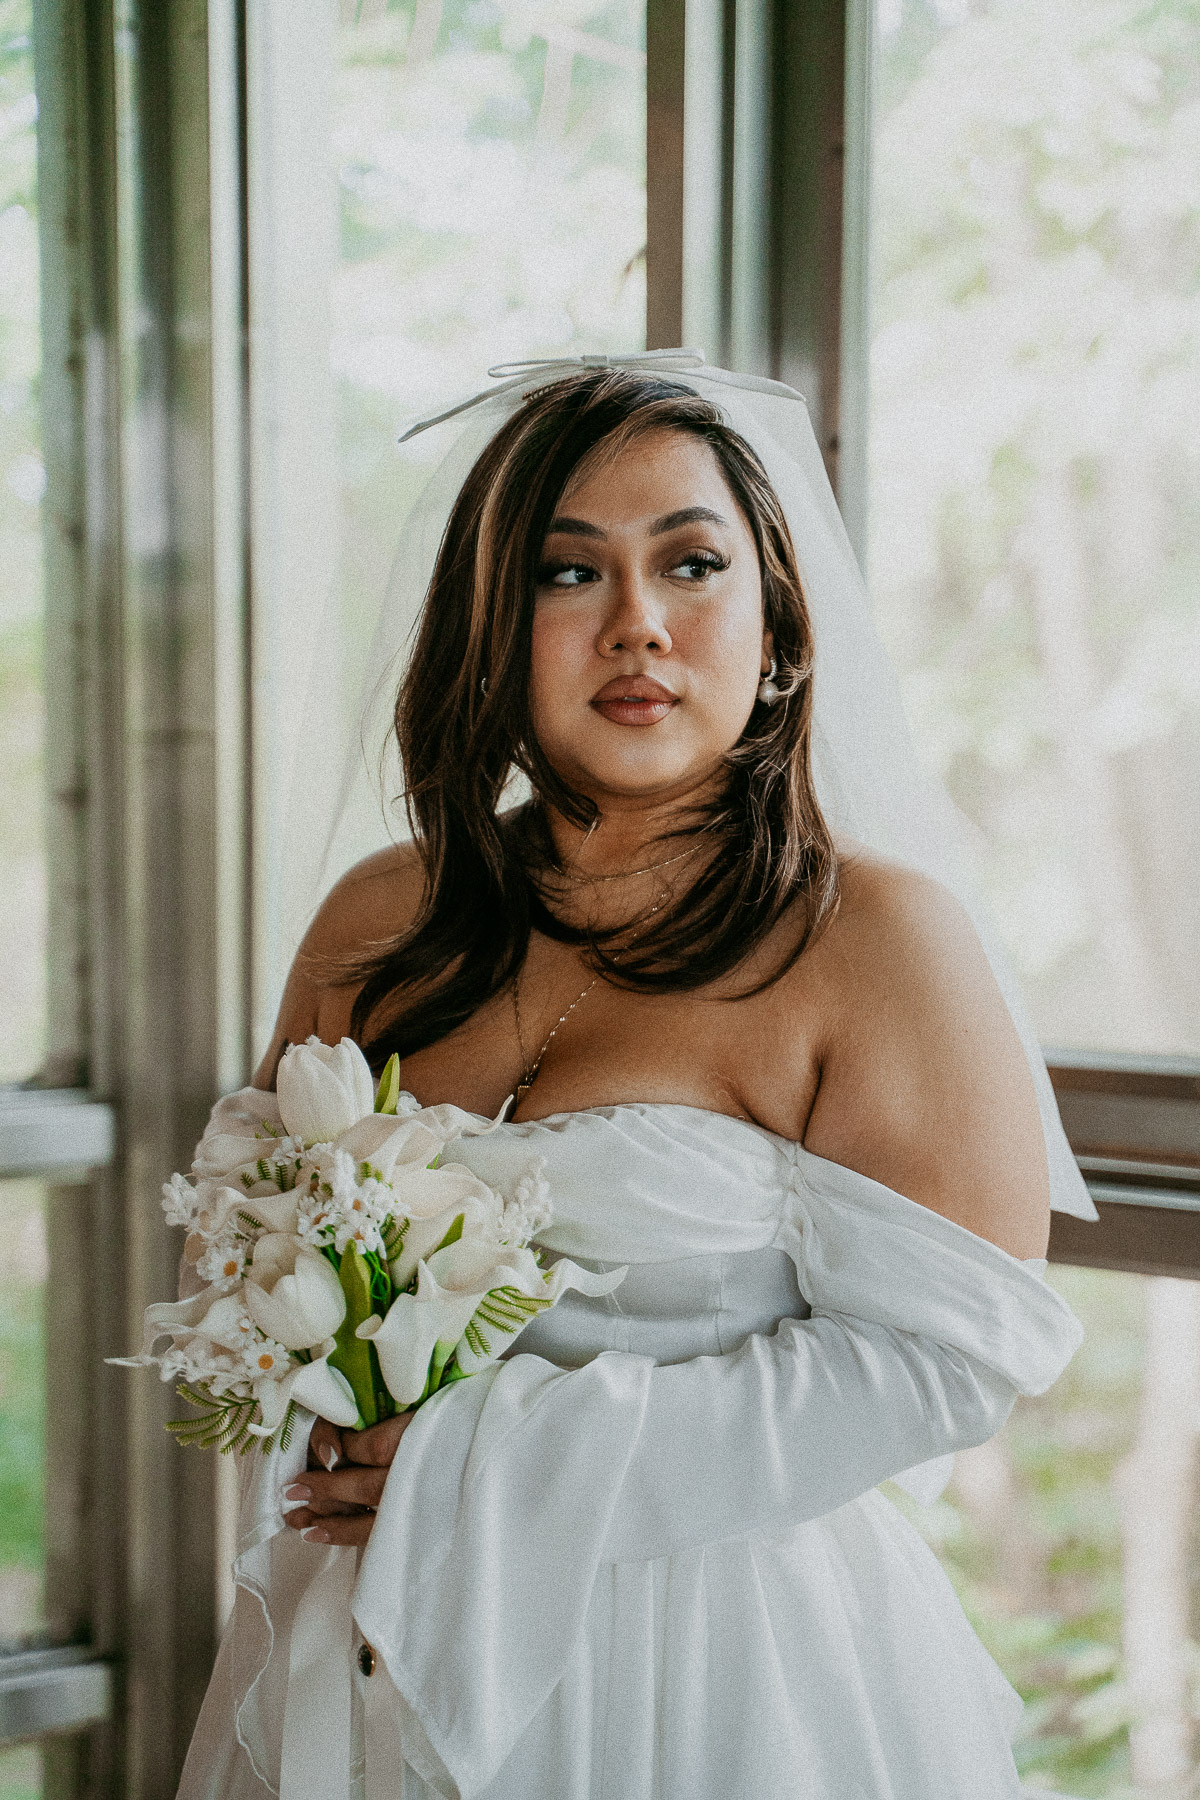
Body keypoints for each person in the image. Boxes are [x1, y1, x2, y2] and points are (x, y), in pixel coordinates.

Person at [178, 362, 1091, 1800]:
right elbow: (237, 1254)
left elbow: (948, 1358)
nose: (637, 626)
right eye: (566, 570)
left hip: (713, 1670)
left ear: (779, 625)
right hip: (360, 1643)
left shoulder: (873, 938)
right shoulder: (379, 921)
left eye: (692, 563)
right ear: (495, 625)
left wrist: (481, 1459)